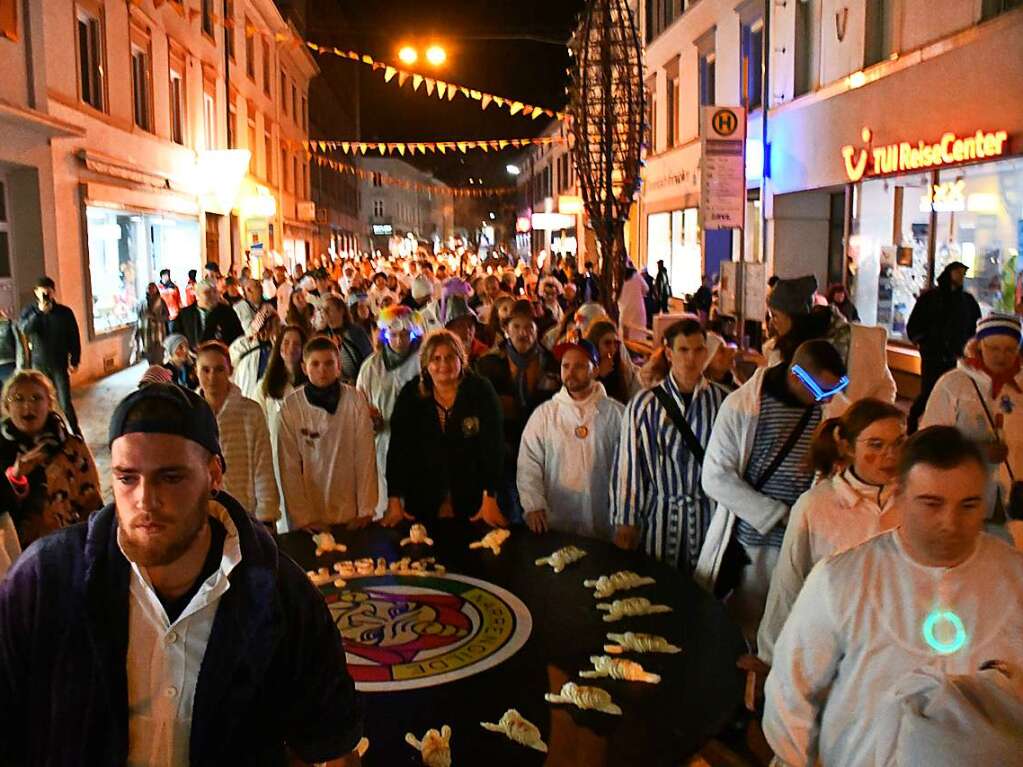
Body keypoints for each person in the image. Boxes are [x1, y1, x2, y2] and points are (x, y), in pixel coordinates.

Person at [0, 383, 365, 764]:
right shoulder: (45, 583)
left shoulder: (280, 596)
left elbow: (332, 741)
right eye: (127, 478)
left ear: (214, 475)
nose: (145, 500)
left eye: (170, 477)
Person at [762, 426, 1023, 767]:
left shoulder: (1014, 579)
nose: (950, 522)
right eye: (932, 503)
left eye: (968, 505)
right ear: (899, 493)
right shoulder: (841, 580)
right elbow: (789, 699)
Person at [696, 340, 848, 640]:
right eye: (821, 391)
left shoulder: (832, 410)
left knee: (795, 632)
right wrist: (779, 515)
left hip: (808, 541)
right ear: (795, 374)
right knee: (746, 630)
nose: (827, 400)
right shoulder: (742, 406)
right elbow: (715, 476)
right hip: (755, 544)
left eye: (834, 391)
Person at [757, 398, 906, 663]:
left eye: (898, 443)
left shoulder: (912, 503)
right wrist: (770, 658)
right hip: (830, 650)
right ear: (848, 448)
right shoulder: (816, 506)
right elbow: (788, 584)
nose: (890, 456)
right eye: (876, 445)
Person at [610, 319, 729, 571]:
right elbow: (630, 465)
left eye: (698, 350)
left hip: (707, 519)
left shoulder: (723, 402)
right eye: (683, 350)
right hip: (659, 519)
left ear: (705, 353)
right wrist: (627, 520)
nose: (691, 359)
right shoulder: (643, 405)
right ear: (669, 353)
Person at [383, 330, 506, 527]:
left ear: (461, 359)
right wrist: (394, 498)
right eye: (436, 358)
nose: (443, 365)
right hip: (423, 497)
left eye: (450, 357)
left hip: (475, 499)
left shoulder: (480, 390)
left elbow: (494, 446)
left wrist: (490, 495)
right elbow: (398, 449)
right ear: (426, 364)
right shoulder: (411, 395)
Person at [517, 339, 624, 539]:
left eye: (580, 366)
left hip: (604, 523)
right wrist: (533, 504)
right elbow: (529, 462)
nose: (571, 372)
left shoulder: (616, 414)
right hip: (556, 522)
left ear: (595, 370)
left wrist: (627, 518)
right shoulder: (545, 414)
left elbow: (629, 470)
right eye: (566, 366)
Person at [921, 312, 1023, 513]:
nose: (1001, 356)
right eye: (994, 348)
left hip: (1015, 501)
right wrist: (977, 451)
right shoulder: (954, 384)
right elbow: (928, 441)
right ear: (978, 346)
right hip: (965, 498)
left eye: (1009, 349)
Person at [276, 337, 377, 531]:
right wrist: (302, 517)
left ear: (339, 366)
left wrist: (366, 509)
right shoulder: (292, 406)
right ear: (304, 368)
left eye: (329, 363)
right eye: (315, 364)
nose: (322, 370)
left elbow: (365, 455)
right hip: (311, 513)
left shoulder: (354, 400)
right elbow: (289, 466)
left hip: (351, 510)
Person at [476, 300, 561, 523]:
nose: (523, 333)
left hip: (541, 451)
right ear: (506, 329)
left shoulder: (551, 363)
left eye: (529, 327)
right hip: (504, 449)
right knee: (508, 514)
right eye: (517, 327)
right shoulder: (488, 364)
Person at [0, 370, 102, 549]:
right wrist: (15, 478)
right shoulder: (2, 449)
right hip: (18, 553)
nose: (27, 406)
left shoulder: (71, 446)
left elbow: (91, 502)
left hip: (65, 547)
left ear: (49, 404)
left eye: (36, 398)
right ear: (6, 407)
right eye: (18, 398)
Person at [195, 342, 279, 527]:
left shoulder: (250, 412)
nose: (212, 377)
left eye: (219, 369)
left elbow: (262, 466)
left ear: (230, 370)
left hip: (244, 513)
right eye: (205, 370)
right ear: (196, 372)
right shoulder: (189, 414)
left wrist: (266, 514)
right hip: (201, 515)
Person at [356, 307, 423, 519]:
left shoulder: (422, 362)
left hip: (416, 442)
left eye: (404, 334)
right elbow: (360, 401)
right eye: (394, 335)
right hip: (382, 442)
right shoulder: (371, 367)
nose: (399, 341)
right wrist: (368, 416)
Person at [906, 261, 982, 432]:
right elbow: (915, 323)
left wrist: (969, 348)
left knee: (953, 392)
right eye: (958, 273)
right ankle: (914, 421)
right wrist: (923, 342)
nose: (961, 277)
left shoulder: (967, 301)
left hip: (957, 355)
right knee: (929, 390)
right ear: (950, 273)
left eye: (963, 274)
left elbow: (974, 326)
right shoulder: (930, 298)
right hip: (933, 355)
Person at [19, 276, 82, 435]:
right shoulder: (30, 311)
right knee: (40, 400)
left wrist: (75, 360)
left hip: (59, 364)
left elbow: (73, 336)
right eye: (42, 292)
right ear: (36, 292)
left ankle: (75, 432)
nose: (46, 295)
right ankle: (45, 432)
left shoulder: (64, 312)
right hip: (38, 365)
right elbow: (24, 331)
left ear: (54, 292)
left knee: (65, 402)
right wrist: (39, 314)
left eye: (49, 292)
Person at [171, 279, 244, 350]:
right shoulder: (185, 314)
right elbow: (176, 337)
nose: (212, 295)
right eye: (207, 292)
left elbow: (238, 336)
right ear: (197, 296)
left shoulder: (228, 312)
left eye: (215, 291)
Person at [229, 305, 279, 401]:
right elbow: (231, 357)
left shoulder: (279, 347)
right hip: (247, 394)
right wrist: (252, 333)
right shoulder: (245, 344)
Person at [585, 319, 642, 405]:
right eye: (607, 343)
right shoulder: (585, 367)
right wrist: (599, 376)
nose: (612, 349)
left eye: (615, 343)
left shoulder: (620, 369)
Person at [320, 294, 373, 385]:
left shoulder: (355, 332)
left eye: (328, 309)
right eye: (323, 310)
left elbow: (368, 360)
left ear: (341, 311)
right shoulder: (323, 336)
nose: (325, 313)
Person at [135, 282, 169, 365]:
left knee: (159, 355)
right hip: (147, 332)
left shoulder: (161, 301)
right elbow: (139, 316)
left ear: (156, 289)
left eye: (153, 288)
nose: (151, 290)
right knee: (149, 356)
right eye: (149, 288)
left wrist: (156, 317)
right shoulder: (142, 302)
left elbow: (167, 315)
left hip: (159, 333)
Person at [617, 265, 649, 340]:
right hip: (638, 308)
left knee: (625, 335)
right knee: (639, 333)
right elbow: (646, 289)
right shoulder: (637, 276)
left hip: (624, 309)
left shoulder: (618, 279)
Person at [0, 308, 28, 384]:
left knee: (10, 394)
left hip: (8, 367)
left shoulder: (10, 324)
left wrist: (20, 367)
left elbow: (20, 347)